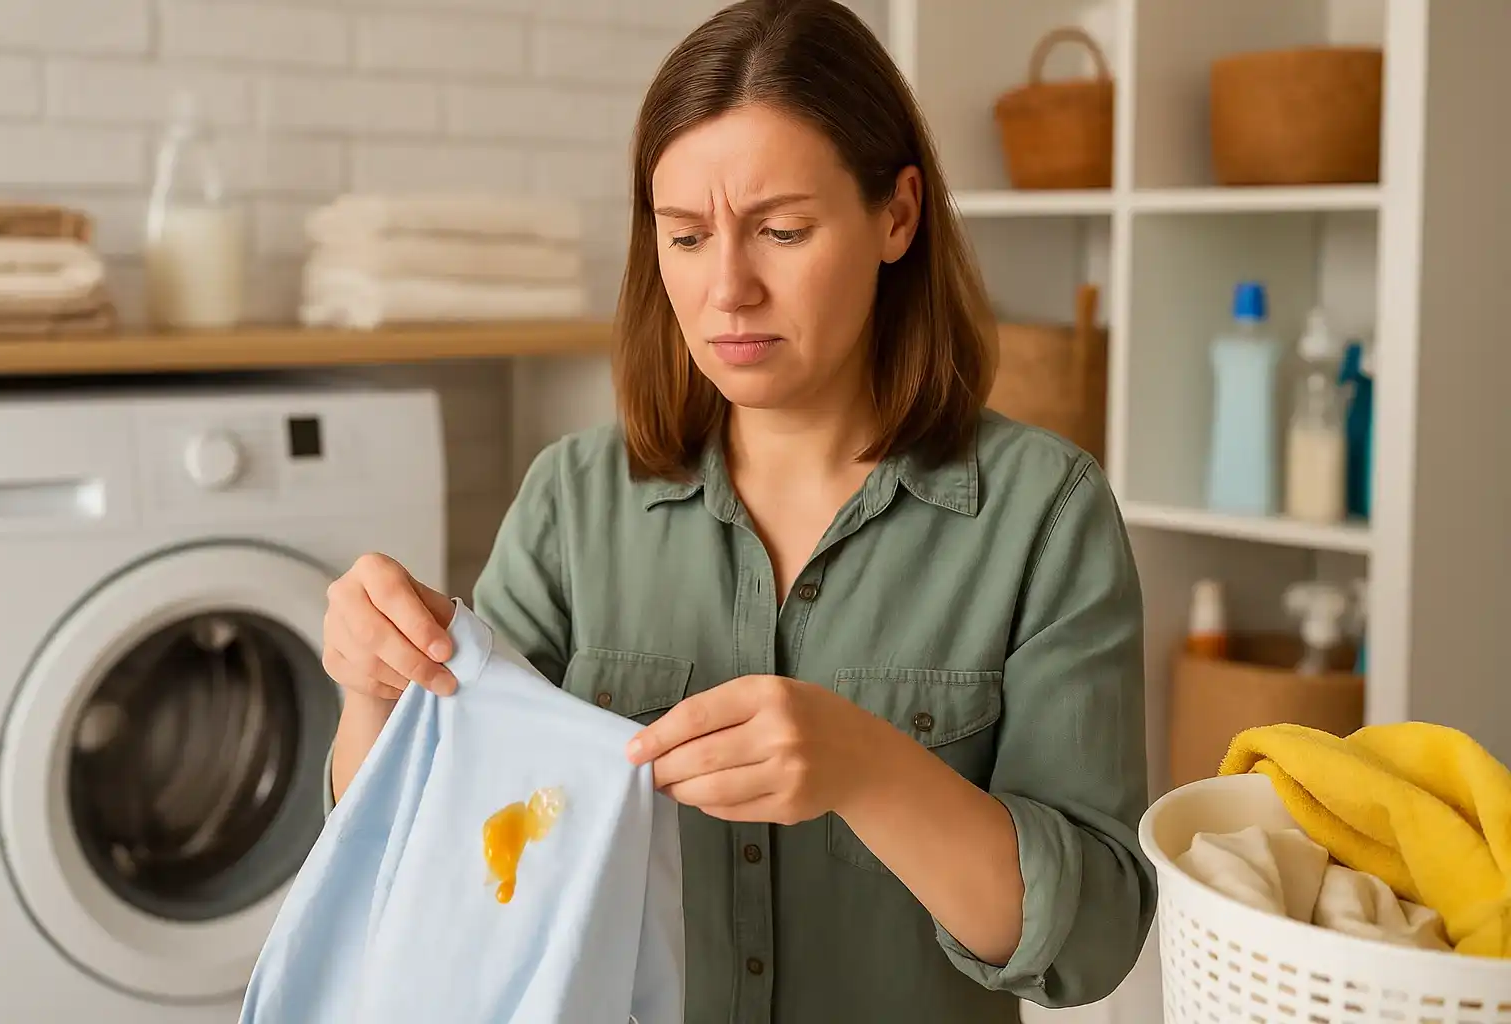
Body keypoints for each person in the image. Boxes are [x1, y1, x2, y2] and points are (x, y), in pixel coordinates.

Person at [320, 1, 1155, 1020]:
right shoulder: (573, 503)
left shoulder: (1044, 516)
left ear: (898, 215)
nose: (727, 290)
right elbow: (425, 850)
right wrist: (373, 690)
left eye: (782, 230)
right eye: (685, 235)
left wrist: (869, 768)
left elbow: (1098, 938)